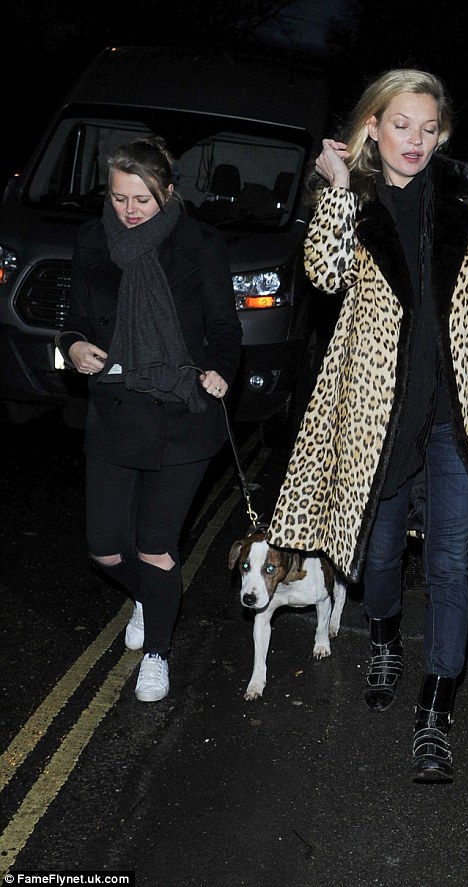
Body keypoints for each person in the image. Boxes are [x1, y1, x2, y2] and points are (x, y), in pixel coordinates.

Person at [267, 70, 468, 781]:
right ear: (373, 126)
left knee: (448, 563)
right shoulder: (353, 197)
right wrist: (336, 186)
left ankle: (435, 713)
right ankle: (384, 635)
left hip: (459, 412)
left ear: (441, 133)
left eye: (428, 127)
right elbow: (324, 276)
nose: (415, 140)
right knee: (381, 554)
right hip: (378, 413)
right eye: (400, 124)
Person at [58, 135, 242, 703]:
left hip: (182, 413)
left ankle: (157, 653)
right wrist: (73, 346)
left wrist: (220, 369)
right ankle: (152, 596)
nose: (129, 210)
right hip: (115, 411)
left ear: (167, 191)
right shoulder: (92, 241)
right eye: (118, 199)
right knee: (106, 549)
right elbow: (75, 318)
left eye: (142, 199)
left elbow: (224, 327)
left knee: (155, 547)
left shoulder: (199, 244)